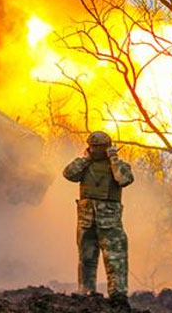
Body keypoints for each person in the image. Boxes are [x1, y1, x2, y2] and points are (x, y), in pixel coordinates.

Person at [63, 131, 134, 307]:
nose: (94, 150)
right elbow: (68, 174)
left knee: (115, 260)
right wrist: (85, 159)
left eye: (98, 147)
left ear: (107, 147)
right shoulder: (84, 165)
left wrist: (113, 159)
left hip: (110, 223)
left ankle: (118, 296)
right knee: (86, 259)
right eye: (92, 146)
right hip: (86, 221)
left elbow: (124, 179)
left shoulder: (119, 166)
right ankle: (86, 294)